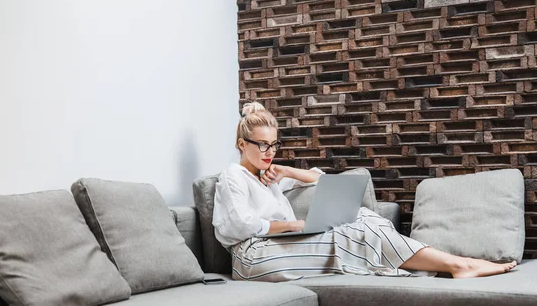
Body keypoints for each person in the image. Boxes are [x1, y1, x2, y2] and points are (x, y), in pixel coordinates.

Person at [212, 101, 517, 282]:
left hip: (279, 247)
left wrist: (287, 171)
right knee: (348, 234)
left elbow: (320, 180)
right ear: (242, 145)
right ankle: (458, 264)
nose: (269, 152)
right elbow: (239, 225)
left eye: (274, 145)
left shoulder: (271, 175)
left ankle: (448, 263)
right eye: (262, 145)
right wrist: (292, 225)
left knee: (365, 217)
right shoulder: (232, 177)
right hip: (253, 257)